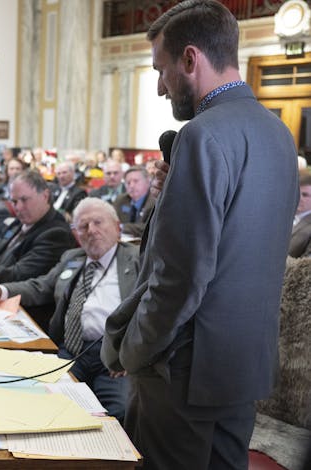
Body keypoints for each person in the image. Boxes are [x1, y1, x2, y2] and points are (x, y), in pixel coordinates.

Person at [101, 2, 299, 469]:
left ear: (190, 59)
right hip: (242, 366)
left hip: (183, 371)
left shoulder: (202, 135)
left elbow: (180, 277)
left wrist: (134, 349)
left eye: (161, 70)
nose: (158, 86)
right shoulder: (279, 134)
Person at [0, 198, 138, 420]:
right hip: (71, 350)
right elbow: (40, 286)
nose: (92, 230)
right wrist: (0, 290)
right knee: (42, 402)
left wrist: (134, 354)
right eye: (83, 226)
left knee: (119, 411)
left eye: (98, 222)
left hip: (115, 357)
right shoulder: (72, 258)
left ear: (117, 227)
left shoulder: (137, 259)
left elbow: (155, 311)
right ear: (76, 235)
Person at [112, 166, 155, 237]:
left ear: (148, 182)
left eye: (136, 181)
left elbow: (149, 228)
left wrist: (122, 227)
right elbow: (112, 222)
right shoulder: (120, 200)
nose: (131, 186)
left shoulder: (154, 202)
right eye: (128, 183)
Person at [289, 172, 311, 258]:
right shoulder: (283, 218)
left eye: (305, 195)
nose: (298, 197)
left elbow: (306, 266)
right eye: (297, 193)